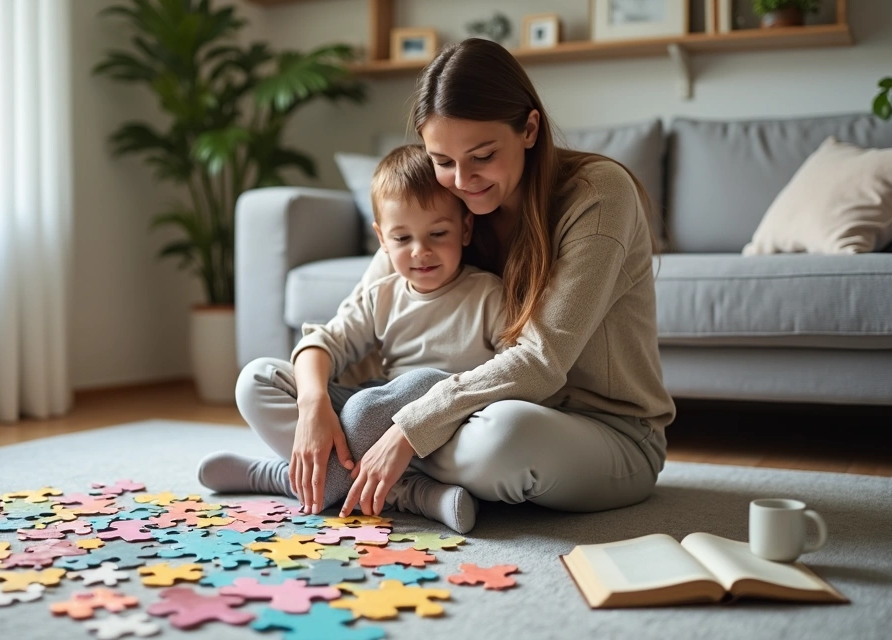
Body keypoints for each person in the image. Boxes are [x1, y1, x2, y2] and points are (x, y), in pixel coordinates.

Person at [206, 37, 676, 534]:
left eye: (482, 156)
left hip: (597, 431)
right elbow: (349, 319)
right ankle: (409, 486)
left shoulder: (598, 195)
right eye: (442, 160)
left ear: (530, 129)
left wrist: (409, 429)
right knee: (258, 380)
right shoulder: (443, 202)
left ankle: (345, 473)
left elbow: (541, 363)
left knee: (504, 440)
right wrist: (312, 405)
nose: (462, 180)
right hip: (445, 410)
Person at [199, 144, 506, 534]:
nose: (420, 251)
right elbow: (322, 343)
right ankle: (412, 494)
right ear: (381, 238)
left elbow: (512, 372)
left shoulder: (489, 295)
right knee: (257, 379)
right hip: (378, 409)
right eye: (402, 238)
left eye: (438, 233)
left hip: (448, 422)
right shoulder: (383, 294)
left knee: (416, 386)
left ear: (465, 229)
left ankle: (277, 477)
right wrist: (314, 406)